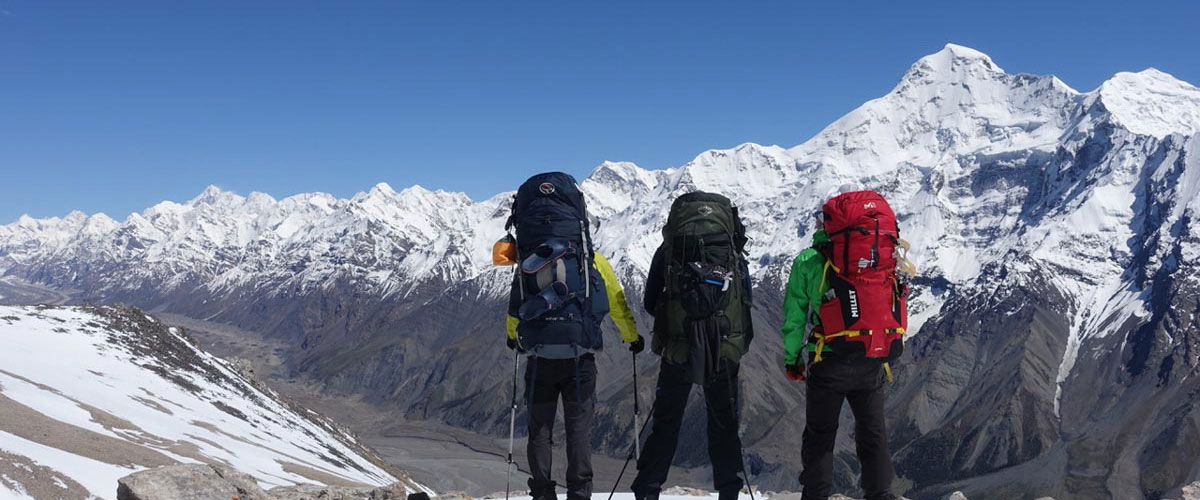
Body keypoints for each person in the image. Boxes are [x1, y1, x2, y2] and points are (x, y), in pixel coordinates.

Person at [503, 172, 643, 500]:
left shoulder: (528, 262)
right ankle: (580, 494)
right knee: (578, 430)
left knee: (540, 431)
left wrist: (514, 337)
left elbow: (516, 303)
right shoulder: (593, 261)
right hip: (579, 357)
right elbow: (616, 299)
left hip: (539, 355)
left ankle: (542, 493)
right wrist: (632, 337)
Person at [781, 186, 904, 500]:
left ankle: (816, 494)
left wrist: (793, 358)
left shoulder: (809, 260)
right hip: (873, 354)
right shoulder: (881, 256)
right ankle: (881, 494)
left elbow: (795, 317)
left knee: (821, 434)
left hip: (830, 358)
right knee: (873, 433)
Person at [630, 192, 753, 500]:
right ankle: (729, 492)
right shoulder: (731, 251)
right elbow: (746, 298)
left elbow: (648, 302)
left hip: (678, 349)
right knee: (724, 423)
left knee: (666, 424)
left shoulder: (670, 249)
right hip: (723, 348)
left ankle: (647, 490)